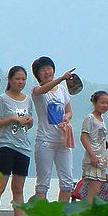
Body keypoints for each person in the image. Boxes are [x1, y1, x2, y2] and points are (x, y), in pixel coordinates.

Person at [0, 65, 34, 216]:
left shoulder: (27, 99)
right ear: (9, 80)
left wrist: (29, 121)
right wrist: (12, 119)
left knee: (18, 189)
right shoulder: (2, 99)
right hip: (7, 145)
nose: (20, 82)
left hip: (24, 147)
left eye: (23, 79)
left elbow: (30, 123)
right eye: (17, 79)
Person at [31, 56, 75, 202]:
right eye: (43, 70)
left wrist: (66, 118)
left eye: (49, 68)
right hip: (45, 141)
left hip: (63, 140)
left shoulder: (62, 90)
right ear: (37, 74)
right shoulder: (37, 90)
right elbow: (42, 90)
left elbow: (68, 111)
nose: (47, 72)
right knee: (43, 184)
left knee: (67, 183)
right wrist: (62, 78)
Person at [80, 91, 108, 203]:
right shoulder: (90, 118)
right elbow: (83, 137)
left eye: (107, 103)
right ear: (95, 103)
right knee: (94, 189)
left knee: (97, 190)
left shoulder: (102, 120)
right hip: (93, 157)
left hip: (101, 158)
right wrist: (92, 155)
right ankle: (87, 214)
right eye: (102, 102)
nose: (105, 105)